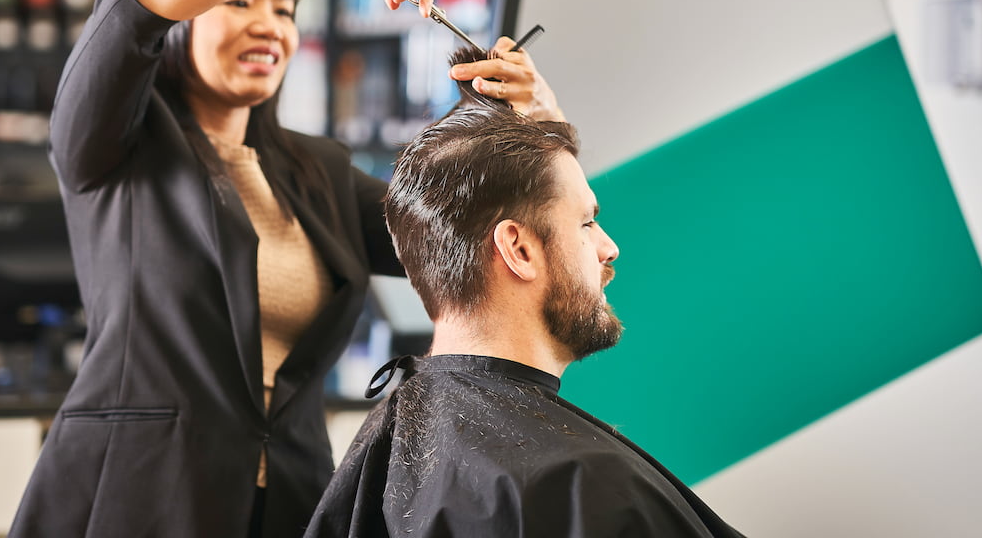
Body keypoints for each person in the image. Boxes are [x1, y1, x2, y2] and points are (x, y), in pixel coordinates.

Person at [6, 0, 563, 538]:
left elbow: (475, 240)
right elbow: (136, 3)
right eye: (239, 3)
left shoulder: (318, 172)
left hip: (293, 505)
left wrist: (535, 124)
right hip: (135, 499)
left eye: (284, 10)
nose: (268, 27)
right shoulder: (111, 146)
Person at [302, 94, 746, 537]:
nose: (609, 248)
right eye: (587, 223)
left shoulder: (389, 443)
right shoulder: (584, 483)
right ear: (519, 249)